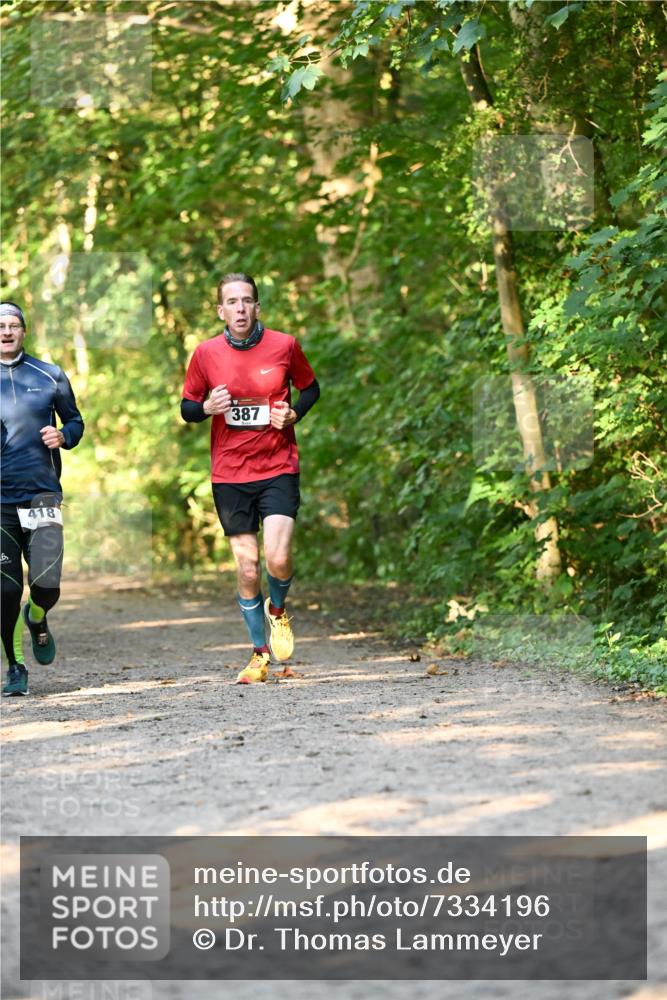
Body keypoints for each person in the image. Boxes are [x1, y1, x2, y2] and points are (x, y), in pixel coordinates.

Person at [181, 273, 319, 684]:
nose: (240, 308)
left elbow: (311, 389)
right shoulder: (205, 354)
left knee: (277, 558)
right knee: (247, 569)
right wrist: (207, 406)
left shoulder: (285, 345)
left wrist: (294, 412)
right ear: (221, 311)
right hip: (230, 474)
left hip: (278, 466)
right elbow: (187, 408)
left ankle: (277, 611)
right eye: (232, 302)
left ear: (257, 307)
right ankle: (259, 653)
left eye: (247, 301)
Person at [0, 301, 84, 696]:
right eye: (0, 325)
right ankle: (16, 667)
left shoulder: (49, 375)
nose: (6, 331)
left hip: (41, 495)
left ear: (24, 331)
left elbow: (75, 421)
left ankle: (37, 617)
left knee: (47, 584)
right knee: (4, 589)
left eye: (13, 325)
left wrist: (63, 436)